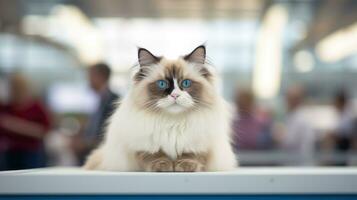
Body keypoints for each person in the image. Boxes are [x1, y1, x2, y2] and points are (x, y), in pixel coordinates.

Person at [0, 73, 51, 170]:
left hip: (31, 152)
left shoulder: (37, 107)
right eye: (13, 87)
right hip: (8, 152)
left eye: (18, 87)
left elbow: (44, 131)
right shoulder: (6, 107)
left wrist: (15, 125)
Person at [72, 62, 119, 164]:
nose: (88, 80)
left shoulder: (113, 100)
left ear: (100, 77)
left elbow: (111, 134)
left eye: (90, 76)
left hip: (101, 155)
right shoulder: (101, 100)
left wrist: (86, 144)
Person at [280, 85, 315, 165]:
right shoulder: (293, 115)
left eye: (289, 98)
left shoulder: (300, 118)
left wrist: (279, 136)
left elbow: (289, 141)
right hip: (295, 163)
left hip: (299, 164)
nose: (286, 101)